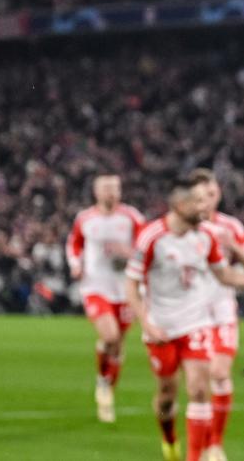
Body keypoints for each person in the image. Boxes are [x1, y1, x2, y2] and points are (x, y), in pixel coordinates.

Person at [125, 176, 244, 461]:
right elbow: (131, 283)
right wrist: (146, 322)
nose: (204, 207)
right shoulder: (152, 237)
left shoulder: (207, 235)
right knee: (167, 395)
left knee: (198, 387)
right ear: (180, 205)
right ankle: (169, 438)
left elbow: (225, 275)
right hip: (160, 326)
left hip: (196, 322)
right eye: (197, 201)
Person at [187, 168, 244, 461]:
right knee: (198, 385)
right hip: (190, 314)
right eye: (201, 194)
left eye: (211, 192)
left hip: (221, 310)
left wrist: (234, 248)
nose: (207, 199)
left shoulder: (231, 226)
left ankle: (215, 444)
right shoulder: (183, 227)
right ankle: (199, 446)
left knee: (219, 372)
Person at [66, 174, 146, 423]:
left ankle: (108, 390)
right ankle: (102, 381)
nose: (111, 193)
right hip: (95, 286)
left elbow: (147, 249)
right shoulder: (85, 218)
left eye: (115, 188)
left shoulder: (132, 217)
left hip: (125, 289)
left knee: (118, 345)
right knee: (109, 336)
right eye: (106, 189)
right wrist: (75, 265)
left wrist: (128, 252)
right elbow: (74, 244)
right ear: (96, 192)